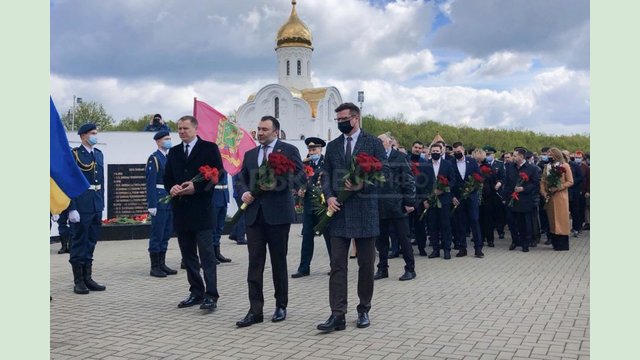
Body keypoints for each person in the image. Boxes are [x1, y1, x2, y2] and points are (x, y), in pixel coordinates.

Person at [317, 102, 388, 332]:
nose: (340, 123)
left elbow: (383, 175)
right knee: (337, 265)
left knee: (366, 265)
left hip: (365, 212)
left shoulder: (373, 143)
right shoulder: (333, 145)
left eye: (343, 119)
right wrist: (328, 196)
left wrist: (361, 185)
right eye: (337, 120)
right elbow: (325, 173)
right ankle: (337, 314)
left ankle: (364, 309)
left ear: (355, 118)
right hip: (338, 212)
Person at [235, 116, 304, 327]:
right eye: (258, 129)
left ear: (276, 131)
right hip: (254, 216)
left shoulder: (288, 150)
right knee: (255, 263)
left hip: (278, 216)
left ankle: (280, 305)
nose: (260, 133)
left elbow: (301, 176)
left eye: (264, 129)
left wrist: (277, 183)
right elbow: (240, 179)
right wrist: (245, 192)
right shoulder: (250, 154)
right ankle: (255, 310)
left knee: (278, 262)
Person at [164, 115, 223, 312]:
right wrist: (171, 187)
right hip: (181, 211)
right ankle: (196, 291)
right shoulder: (173, 152)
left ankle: (211, 295)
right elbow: (167, 177)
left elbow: (217, 174)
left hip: (202, 211)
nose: (182, 132)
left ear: (196, 129)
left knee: (207, 255)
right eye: (179, 128)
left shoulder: (209, 148)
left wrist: (196, 188)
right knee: (188, 255)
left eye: (185, 128)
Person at [67, 123, 106, 294]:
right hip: (81, 204)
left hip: (95, 203)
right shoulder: (74, 154)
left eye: (96, 133)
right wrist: (71, 208)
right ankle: (79, 281)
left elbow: (101, 181)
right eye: (92, 133)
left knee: (91, 241)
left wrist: (102, 204)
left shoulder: (98, 154)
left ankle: (88, 277)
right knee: (79, 242)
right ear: (83, 136)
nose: (95, 136)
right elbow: (70, 182)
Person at [374, 133, 417, 281]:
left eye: (382, 141)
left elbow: (409, 180)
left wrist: (409, 202)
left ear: (390, 142)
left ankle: (410, 269)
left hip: (397, 205)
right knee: (381, 240)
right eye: (377, 141)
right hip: (379, 206)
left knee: (403, 238)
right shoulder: (374, 158)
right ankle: (382, 268)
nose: (379, 143)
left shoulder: (400, 157)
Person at [291, 137, 332, 278]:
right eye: (310, 149)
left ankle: (335, 266)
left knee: (329, 238)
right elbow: (298, 180)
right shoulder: (304, 165)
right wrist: (299, 190)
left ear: (320, 150)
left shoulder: (326, 163)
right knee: (307, 237)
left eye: (314, 149)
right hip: (309, 206)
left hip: (323, 206)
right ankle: (304, 268)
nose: (312, 151)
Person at [145, 130, 178, 278]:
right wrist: (152, 204)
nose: (168, 141)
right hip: (159, 199)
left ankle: (162, 263)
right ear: (158, 142)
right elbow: (150, 183)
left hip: (170, 199)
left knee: (166, 233)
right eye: (166, 139)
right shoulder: (154, 158)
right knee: (157, 233)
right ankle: (155, 266)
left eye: (169, 138)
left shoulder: (170, 158)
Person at [450, 142, 484, 258]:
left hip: (471, 196)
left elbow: (479, 177)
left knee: (474, 221)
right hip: (458, 198)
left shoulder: (472, 161)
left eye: (459, 151)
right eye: (455, 152)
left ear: (463, 150)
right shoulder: (451, 163)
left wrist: (471, 188)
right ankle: (462, 248)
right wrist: (453, 197)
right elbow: (450, 181)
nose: (457, 154)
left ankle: (478, 248)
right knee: (460, 223)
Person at [504, 148, 540, 252]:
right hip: (511, 199)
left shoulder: (532, 168)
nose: (513, 157)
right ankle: (515, 241)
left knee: (524, 222)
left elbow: (535, 184)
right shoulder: (511, 167)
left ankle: (525, 243)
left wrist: (523, 188)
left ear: (521, 156)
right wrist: (506, 197)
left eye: (515, 156)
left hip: (524, 199)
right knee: (512, 221)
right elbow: (507, 182)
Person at [426, 143, 456, 259]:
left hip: (444, 200)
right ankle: (435, 250)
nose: (435, 153)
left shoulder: (447, 165)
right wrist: (426, 199)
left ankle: (447, 249)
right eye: (433, 151)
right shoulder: (425, 164)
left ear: (441, 151)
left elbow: (453, 180)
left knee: (445, 225)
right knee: (432, 226)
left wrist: (443, 189)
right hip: (431, 200)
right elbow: (422, 182)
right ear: (430, 151)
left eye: (437, 151)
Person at [540, 148, 574, 250]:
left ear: (556, 155)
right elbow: (542, 181)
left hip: (560, 197)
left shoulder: (565, 166)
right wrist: (544, 192)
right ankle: (554, 241)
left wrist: (558, 187)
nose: (548, 156)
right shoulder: (547, 167)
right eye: (548, 154)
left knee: (561, 219)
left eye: (550, 154)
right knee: (552, 219)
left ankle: (562, 244)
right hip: (550, 197)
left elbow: (570, 181)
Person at [211, 170, 232, 264]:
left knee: (220, 227)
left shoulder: (226, 161)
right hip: (215, 196)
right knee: (213, 227)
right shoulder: (215, 160)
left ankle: (217, 251)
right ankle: (211, 253)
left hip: (223, 196)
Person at [229, 173, 247, 245]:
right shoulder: (239, 167)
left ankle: (234, 234)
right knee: (243, 214)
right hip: (241, 193)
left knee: (241, 214)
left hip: (238, 193)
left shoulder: (236, 167)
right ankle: (240, 237)